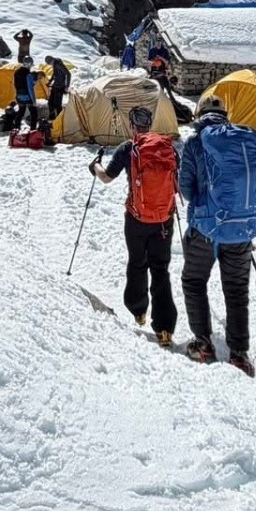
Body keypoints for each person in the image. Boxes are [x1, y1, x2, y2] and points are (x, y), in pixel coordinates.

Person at [178, 98, 256, 375]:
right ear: (224, 116)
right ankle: (239, 355)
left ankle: (203, 344)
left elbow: (186, 189)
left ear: (201, 115)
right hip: (240, 229)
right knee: (237, 290)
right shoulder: (242, 141)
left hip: (205, 228)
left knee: (194, 281)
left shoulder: (195, 143)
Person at [91, 106, 179, 346]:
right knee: (160, 269)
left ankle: (138, 310)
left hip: (136, 219)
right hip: (163, 219)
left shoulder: (128, 149)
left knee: (137, 263)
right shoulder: (168, 148)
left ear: (132, 126)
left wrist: (95, 166)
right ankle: (165, 329)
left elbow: (106, 177)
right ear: (150, 124)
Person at [12, 58, 40, 131]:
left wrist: (17, 95)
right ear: (29, 64)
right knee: (34, 114)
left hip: (19, 96)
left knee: (21, 112)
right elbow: (30, 88)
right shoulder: (28, 74)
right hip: (27, 97)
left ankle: (16, 128)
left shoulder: (16, 72)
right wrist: (34, 101)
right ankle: (33, 130)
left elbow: (15, 85)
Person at [46, 54, 70, 120]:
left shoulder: (58, 64)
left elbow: (68, 74)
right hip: (55, 86)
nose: (50, 65)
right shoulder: (55, 64)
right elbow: (54, 74)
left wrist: (67, 86)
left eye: (49, 63)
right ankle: (52, 118)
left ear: (51, 61)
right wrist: (49, 82)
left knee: (57, 105)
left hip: (60, 87)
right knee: (50, 103)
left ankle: (59, 119)